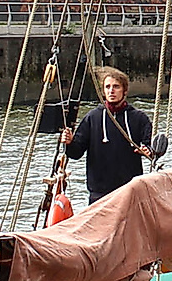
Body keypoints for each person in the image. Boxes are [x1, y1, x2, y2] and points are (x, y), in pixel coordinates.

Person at [61, 67, 153, 203]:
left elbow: (150, 146)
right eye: (108, 87)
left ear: (125, 90)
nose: (111, 91)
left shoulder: (139, 118)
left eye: (116, 87)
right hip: (99, 194)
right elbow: (76, 153)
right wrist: (68, 142)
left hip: (130, 191)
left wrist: (148, 150)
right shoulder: (92, 118)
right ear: (103, 91)